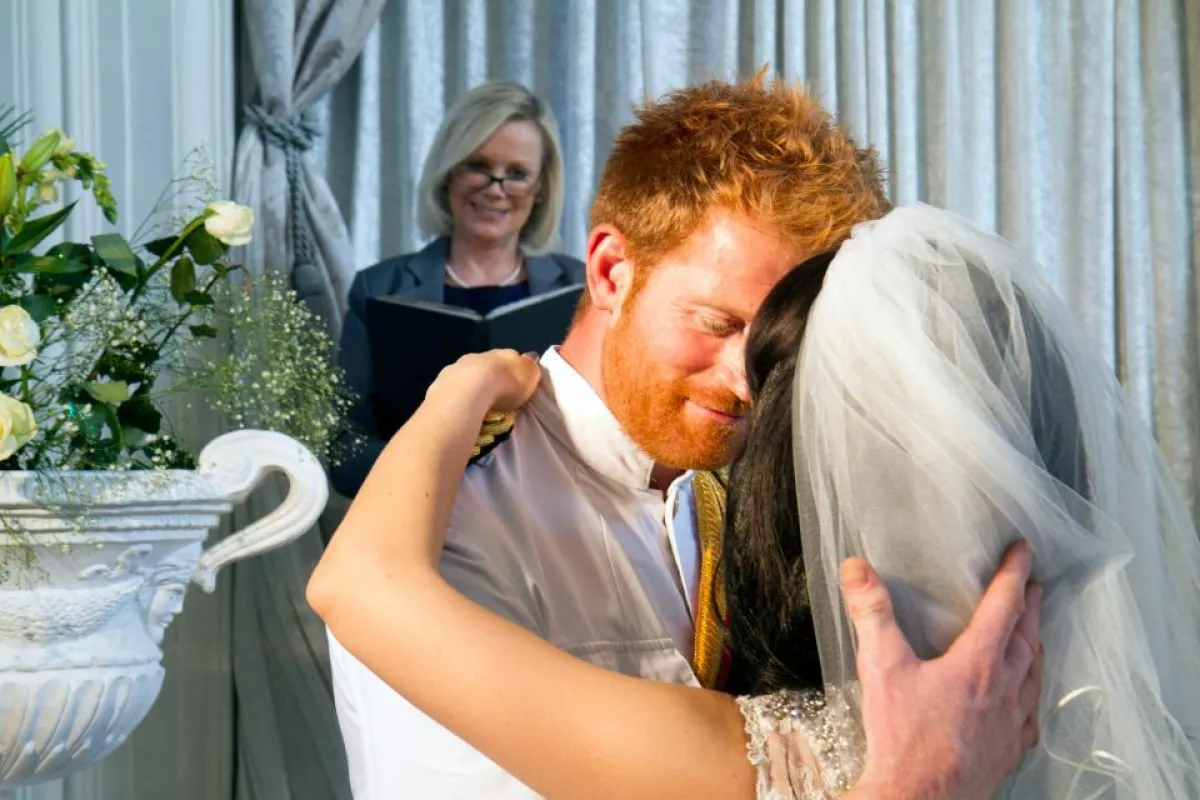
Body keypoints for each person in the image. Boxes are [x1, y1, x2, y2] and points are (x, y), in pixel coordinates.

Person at [311, 204, 1200, 798]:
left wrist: (459, 389)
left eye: (771, 370)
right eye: (716, 322)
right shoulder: (1059, 676)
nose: (742, 386)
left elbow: (358, 585)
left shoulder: (768, 748)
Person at [318, 73, 1045, 798]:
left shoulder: (768, 496)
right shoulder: (455, 521)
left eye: (782, 351)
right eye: (717, 323)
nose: (746, 383)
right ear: (610, 271)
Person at [331, 80, 584, 498]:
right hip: (421, 511)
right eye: (479, 166)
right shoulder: (377, 289)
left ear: (540, 188)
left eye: (517, 174)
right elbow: (344, 449)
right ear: (449, 171)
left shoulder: (581, 288)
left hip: (548, 515)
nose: (495, 189)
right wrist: (422, 469)